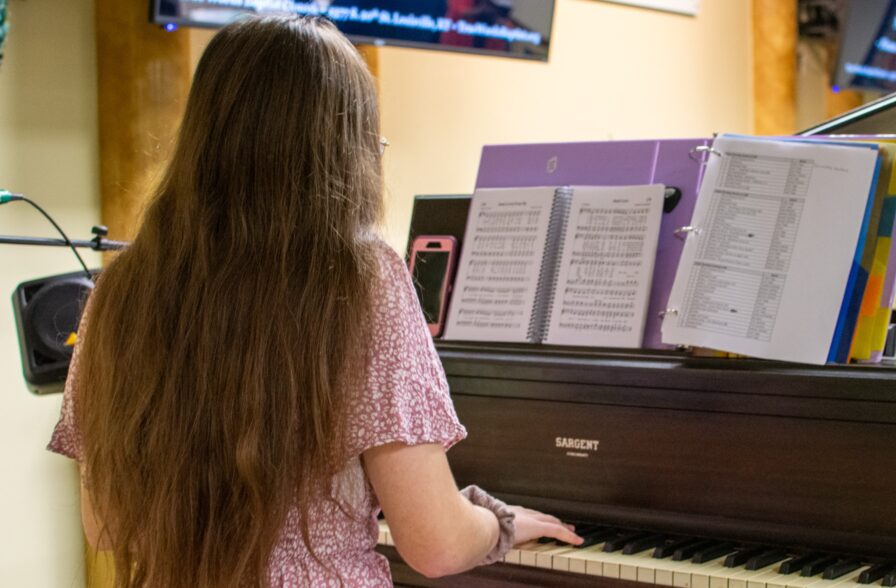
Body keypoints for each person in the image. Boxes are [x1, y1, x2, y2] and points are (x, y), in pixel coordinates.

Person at [46, 15, 580, 588]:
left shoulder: (120, 289)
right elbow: (435, 544)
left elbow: (105, 527)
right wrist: (498, 523)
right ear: (343, 148)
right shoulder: (361, 278)